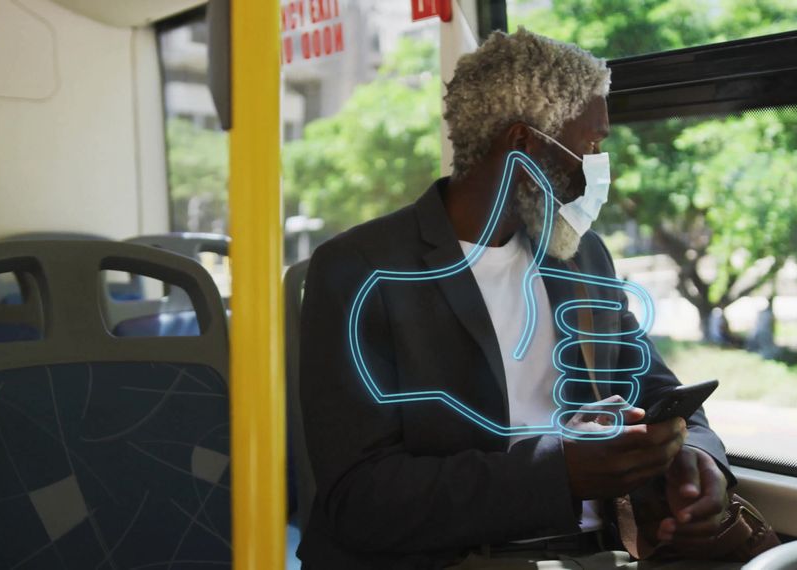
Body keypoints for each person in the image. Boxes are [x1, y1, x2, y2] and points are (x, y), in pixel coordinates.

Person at [298, 28, 737, 569]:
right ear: (524, 146)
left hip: (601, 553)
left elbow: (662, 395)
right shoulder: (360, 270)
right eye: (590, 145)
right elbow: (359, 497)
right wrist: (559, 473)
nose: (598, 165)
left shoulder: (582, 256)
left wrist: (697, 458)